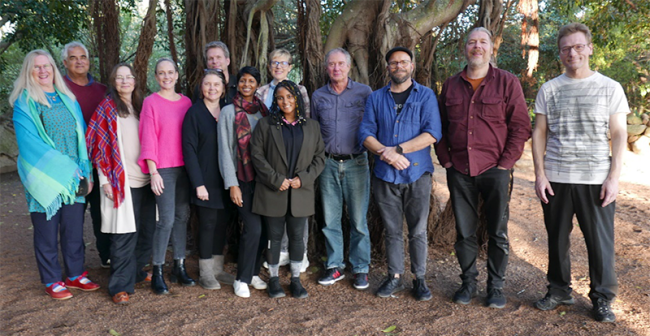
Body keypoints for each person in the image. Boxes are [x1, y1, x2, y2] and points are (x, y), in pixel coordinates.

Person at [532, 23, 628, 323]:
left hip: (595, 179)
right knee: (557, 238)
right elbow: (539, 133)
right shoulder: (549, 89)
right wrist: (539, 174)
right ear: (559, 53)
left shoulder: (610, 88)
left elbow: (619, 133)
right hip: (557, 177)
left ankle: (601, 298)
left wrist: (613, 177)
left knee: (600, 243)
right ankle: (559, 289)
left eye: (577, 46)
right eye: (565, 48)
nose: (571, 53)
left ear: (588, 48)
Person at [434, 27, 531, 309]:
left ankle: (496, 287)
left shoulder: (507, 82)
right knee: (464, 232)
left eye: (483, 42)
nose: (477, 46)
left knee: (498, 231)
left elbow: (520, 126)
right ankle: (467, 283)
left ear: (492, 48)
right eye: (472, 42)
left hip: (495, 170)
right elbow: (438, 127)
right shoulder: (451, 85)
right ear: (465, 48)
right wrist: (447, 161)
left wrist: (505, 165)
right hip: (460, 170)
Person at [10, 49, 100, 300]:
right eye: (36, 67)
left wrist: (86, 173)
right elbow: (29, 143)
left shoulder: (67, 97)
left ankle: (75, 275)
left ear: (53, 68)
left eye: (46, 65)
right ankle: (51, 279)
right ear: (29, 71)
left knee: (73, 229)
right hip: (45, 174)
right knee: (47, 231)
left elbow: (80, 137)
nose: (42, 71)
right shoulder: (25, 101)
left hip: (75, 175)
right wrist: (67, 168)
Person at [358, 47, 441, 301]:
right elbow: (365, 134)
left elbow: (432, 133)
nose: (399, 66)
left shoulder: (425, 96)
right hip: (385, 175)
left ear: (412, 66)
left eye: (403, 62)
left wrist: (398, 150)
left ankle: (420, 279)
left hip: (417, 174)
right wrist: (387, 155)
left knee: (417, 230)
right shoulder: (375, 98)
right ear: (387, 68)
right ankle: (394, 276)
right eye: (393, 63)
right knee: (392, 230)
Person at [86, 63, 156, 304]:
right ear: (113, 81)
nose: (125, 81)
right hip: (120, 181)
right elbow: (99, 145)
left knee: (147, 231)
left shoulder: (141, 105)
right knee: (124, 235)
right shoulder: (107, 107)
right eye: (119, 77)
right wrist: (105, 179)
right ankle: (119, 286)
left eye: (129, 77)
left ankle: (135, 272)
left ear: (135, 81)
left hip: (148, 178)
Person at [251, 80, 325, 298]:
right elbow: (256, 155)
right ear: (276, 100)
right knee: (273, 237)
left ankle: (295, 280)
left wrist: (303, 179)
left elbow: (320, 157)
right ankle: (273, 280)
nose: (286, 101)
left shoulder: (312, 126)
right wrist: (275, 179)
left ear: (298, 99)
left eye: (290, 97)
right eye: (281, 97)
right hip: (273, 191)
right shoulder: (266, 125)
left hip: (300, 192)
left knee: (296, 237)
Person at [312, 48, 373, 290]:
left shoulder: (364, 93)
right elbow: (314, 131)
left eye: (340, 64)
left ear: (349, 67)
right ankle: (335, 265)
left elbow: (372, 124)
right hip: (327, 163)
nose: (336, 68)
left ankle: (360, 268)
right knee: (330, 218)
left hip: (357, 162)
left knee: (358, 219)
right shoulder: (318, 96)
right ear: (327, 68)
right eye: (332, 64)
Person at [139, 57, 195, 294]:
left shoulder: (186, 102)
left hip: (185, 168)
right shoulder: (150, 102)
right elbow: (148, 137)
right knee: (166, 220)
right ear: (156, 77)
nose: (166, 76)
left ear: (176, 75)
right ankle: (158, 271)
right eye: (161, 73)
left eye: (170, 72)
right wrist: (153, 172)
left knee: (182, 217)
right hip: (163, 169)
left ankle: (179, 266)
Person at [257, 48, 311, 272]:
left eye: (283, 63)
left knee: (298, 206)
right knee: (276, 207)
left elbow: (305, 122)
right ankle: (278, 253)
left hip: (296, 154)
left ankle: (300, 253)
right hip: (271, 158)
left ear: (290, 67)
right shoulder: (260, 92)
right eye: (274, 62)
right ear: (269, 66)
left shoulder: (300, 90)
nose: (278, 66)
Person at [182, 69, 237, 290]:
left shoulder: (229, 111)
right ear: (201, 87)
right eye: (207, 84)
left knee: (222, 225)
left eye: (217, 84)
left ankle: (217, 269)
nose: (212, 88)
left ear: (224, 88)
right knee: (207, 225)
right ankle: (205, 273)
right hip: (204, 181)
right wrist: (198, 184)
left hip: (227, 180)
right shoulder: (194, 113)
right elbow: (189, 150)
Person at [218, 66, 270, 298]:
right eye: (242, 81)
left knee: (265, 230)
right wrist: (232, 184)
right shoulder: (229, 111)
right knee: (252, 228)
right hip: (243, 179)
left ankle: (254, 273)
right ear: (237, 84)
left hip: (264, 180)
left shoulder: (264, 111)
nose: (246, 84)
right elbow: (225, 151)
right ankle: (241, 278)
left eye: (251, 80)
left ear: (257, 84)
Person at [62, 41, 110, 269]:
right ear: (65, 62)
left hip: (99, 164)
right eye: (73, 58)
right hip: (70, 164)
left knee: (103, 213)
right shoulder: (58, 88)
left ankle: (107, 257)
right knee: (73, 217)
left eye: (83, 57)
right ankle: (75, 268)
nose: (79, 61)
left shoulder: (102, 90)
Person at [193, 41, 237, 106]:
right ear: (207, 63)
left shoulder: (238, 85)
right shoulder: (201, 88)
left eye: (218, 57)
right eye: (210, 58)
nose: (215, 61)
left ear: (227, 61)